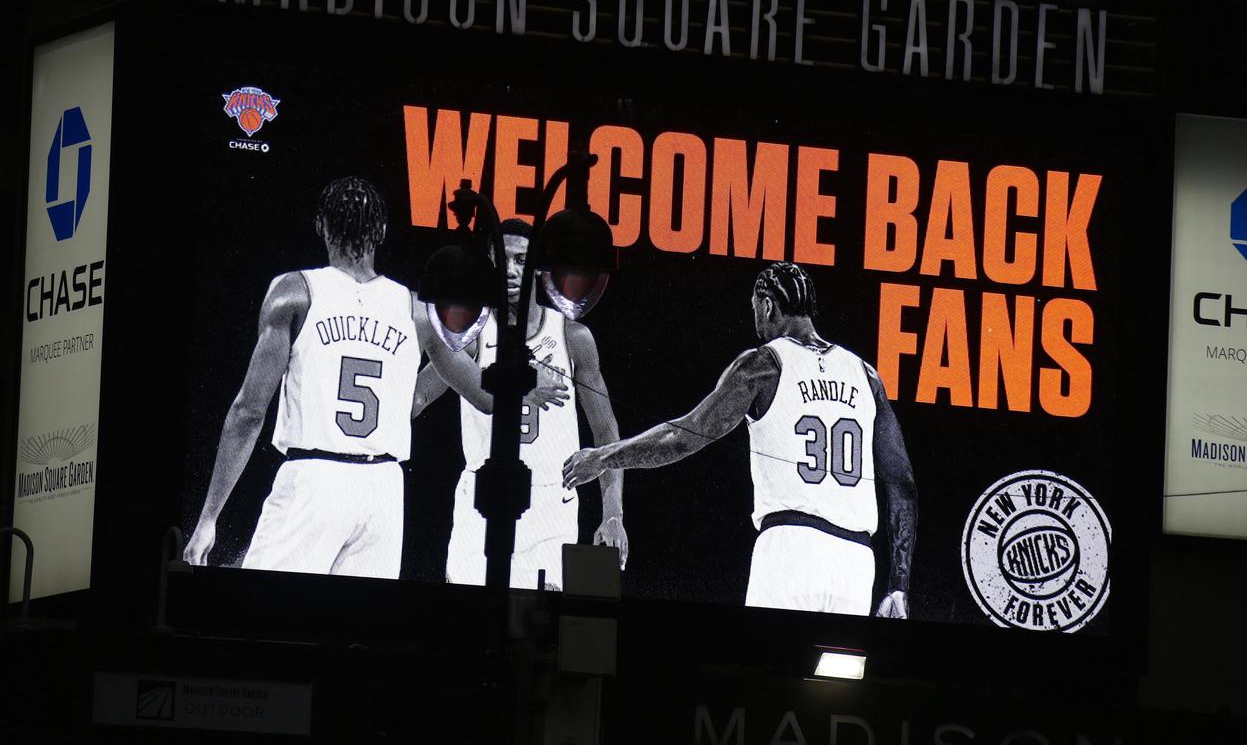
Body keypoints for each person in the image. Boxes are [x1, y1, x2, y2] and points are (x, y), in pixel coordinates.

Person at [563, 261, 917, 617]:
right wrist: (899, 586)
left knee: (769, 670)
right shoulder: (866, 376)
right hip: (856, 562)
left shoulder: (763, 365)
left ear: (766, 305)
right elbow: (902, 485)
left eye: (755, 311)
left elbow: (682, 437)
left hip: (790, 548)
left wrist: (605, 457)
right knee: (829, 673)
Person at [185, 177, 431, 579]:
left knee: (259, 620)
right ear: (383, 232)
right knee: (354, 636)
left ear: (321, 225)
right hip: (385, 490)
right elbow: (463, 352)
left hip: (315, 480)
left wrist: (209, 516)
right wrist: (416, 398)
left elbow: (248, 411)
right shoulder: (415, 308)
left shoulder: (295, 291)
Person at [415, 218, 626, 590]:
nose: (510, 270)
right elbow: (418, 397)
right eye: (500, 260)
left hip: (549, 504)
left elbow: (606, 430)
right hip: (483, 498)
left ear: (538, 267)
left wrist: (613, 512)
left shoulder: (572, 337)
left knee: (537, 637)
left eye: (519, 260)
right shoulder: (472, 334)